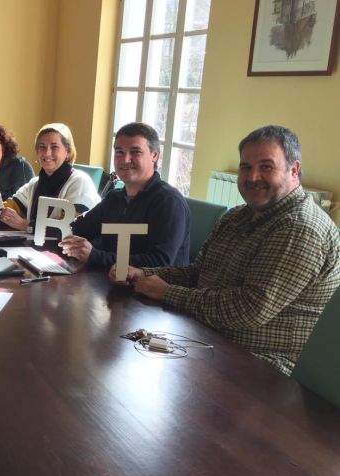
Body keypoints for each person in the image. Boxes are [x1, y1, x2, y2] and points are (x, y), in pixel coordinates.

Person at [116, 125, 340, 376]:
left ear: (294, 170)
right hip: (206, 341)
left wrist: (167, 292)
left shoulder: (300, 228)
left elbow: (248, 309)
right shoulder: (238, 216)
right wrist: (142, 273)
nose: (252, 177)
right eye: (246, 167)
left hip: (261, 371)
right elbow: (198, 273)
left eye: (266, 166)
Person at [58, 122, 190, 268]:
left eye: (135, 152)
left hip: (150, 289)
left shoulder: (169, 202)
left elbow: (159, 263)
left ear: (154, 155)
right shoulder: (115, 198)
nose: (125, 159)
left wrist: (94, 256)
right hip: (107, 280)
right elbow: (78, 228)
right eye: (119, 152)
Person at [0, 123, 100, 230]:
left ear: (68, 152)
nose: (47, 153)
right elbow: (2, 211)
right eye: (42, 147)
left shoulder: (80, 181)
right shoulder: (34, 184)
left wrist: (25, 225)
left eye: (54, 147)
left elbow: (72, 230)